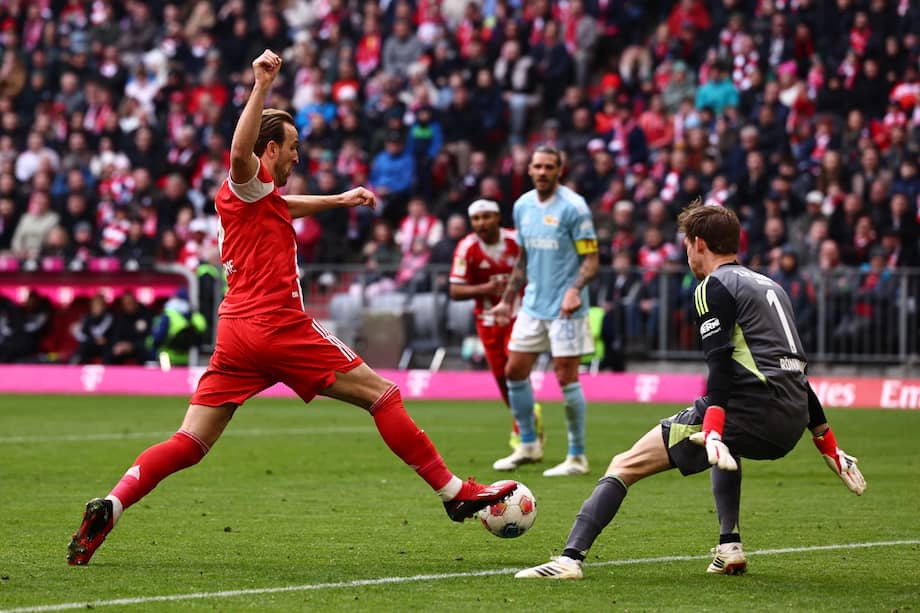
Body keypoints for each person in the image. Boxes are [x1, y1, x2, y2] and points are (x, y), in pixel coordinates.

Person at [66, 50, 516, 567]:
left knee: (190, 440)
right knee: (383, 395)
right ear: (272, 148)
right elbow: (239, 152)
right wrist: (261, 85)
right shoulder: (245, 174)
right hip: (276, 324)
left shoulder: (255, 198)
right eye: (293, 148)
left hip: (236, 333)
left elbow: (284, 205)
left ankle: (113, 504)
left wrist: (339, 199)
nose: (297, 158)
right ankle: (453, 492)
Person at [515, 202, 866, 580]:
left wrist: (712, 426)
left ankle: (569, 559)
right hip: (792, 420)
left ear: (698, 244)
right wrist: (827, 444)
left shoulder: (713, 286)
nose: (686, 254)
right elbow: (793, 366)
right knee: (727, 446)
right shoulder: (772, 287)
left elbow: (720, 365)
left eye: (686, 244)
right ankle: (729, 546)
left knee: (624, 464)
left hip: (750, 409)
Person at [488, 145, 599, 477]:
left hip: (566, 308)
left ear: (559, 170)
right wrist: (508, 299)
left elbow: (591, 259)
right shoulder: (522, 206)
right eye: (537, 166)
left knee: (566, 376)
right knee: (514, 371)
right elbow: (523, 258)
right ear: (530, 169)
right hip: (533, 305)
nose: (542, 172)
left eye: (549, 167)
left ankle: (577, 456)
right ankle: (528, 444)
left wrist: (574, 290)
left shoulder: (574, 207)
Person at [448, 199, 543, 450]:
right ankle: (527, 418)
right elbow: (455, 290)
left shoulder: (516, 240)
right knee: (501, 377)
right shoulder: (467, 247)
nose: (482, 223)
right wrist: (486, 289)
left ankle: (523, 431)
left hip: (520, 316)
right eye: (476, 219)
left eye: (487, 217)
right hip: (487, 320)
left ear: (498, 217)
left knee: (515, 370)